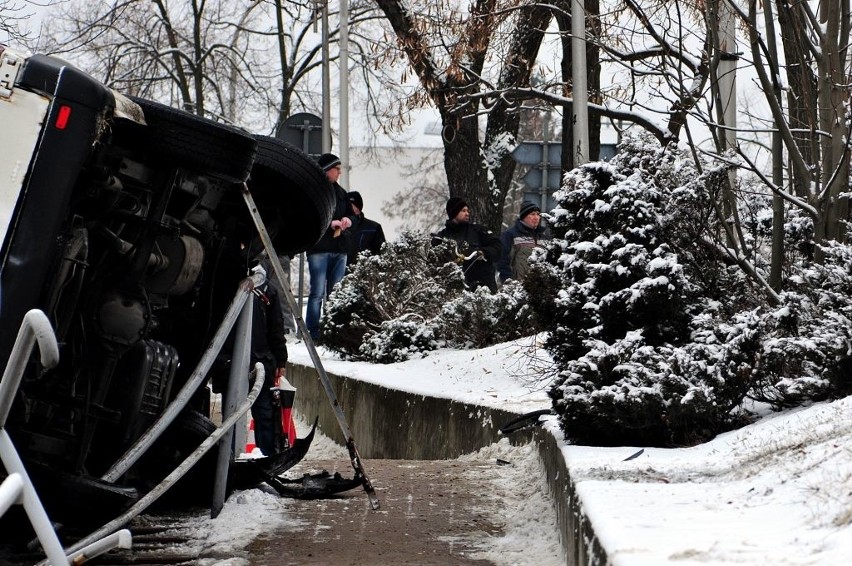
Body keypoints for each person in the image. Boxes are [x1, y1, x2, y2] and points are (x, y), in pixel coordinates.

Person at [305, 153, 354, 339]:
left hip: (339, 248)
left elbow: (354, 215)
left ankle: (332, 329)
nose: (340, 172)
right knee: (317, 291)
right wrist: (329, 224)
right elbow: (309, 218)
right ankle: (313, 330)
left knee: (335, 292)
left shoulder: (342, 193)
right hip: (319, 249)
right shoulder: (315, 192)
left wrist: (348, 220)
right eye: (336, 169)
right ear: (327, 170)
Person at [247, 264, 290, 457]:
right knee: (263, 412)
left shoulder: (266, 290)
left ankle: (266, 455)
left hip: (259, 359)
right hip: (257, 358)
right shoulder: (266, 288)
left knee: (263, 411)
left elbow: (276, 328)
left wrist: (280, 359)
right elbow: (276, 328)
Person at [436, 196, 502, 292]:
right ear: (454, 212)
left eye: (467, 211)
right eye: (463, 211)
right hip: (455, 288)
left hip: (483, 287)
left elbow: (497, 247)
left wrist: (484, 252)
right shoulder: (443, 236)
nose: (467, 213)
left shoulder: (478, 231)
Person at [498, 200, 551, 284]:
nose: (536, 217)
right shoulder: (510, 235)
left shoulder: (543, 237)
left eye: (538, 214)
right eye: (532, 214)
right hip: (518, 285)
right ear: (524, 216)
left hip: (540, 286)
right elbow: (503, 260)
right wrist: (508, 281)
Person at [346, 190, 386, 265]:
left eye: (351, 205)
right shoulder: (337, 227)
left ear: (358, 207)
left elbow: (381, 253)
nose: (348, 207)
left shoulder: (373, 228)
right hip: (340, 274)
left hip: (365, 273)